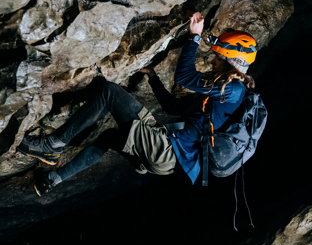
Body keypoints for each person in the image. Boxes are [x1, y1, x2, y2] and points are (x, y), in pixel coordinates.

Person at [17, 12, 258, 196]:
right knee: (111, 137)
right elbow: (172, 108)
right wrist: (152, 76)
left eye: (218, 56)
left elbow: (184, 77)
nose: (214, 60)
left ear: (231, 59)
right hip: (168, 156)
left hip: (167, 152)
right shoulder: (222, 97)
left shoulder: (233, 89)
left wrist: (194, 37)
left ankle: (51, 145)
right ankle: (51, 181)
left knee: (109, 92)